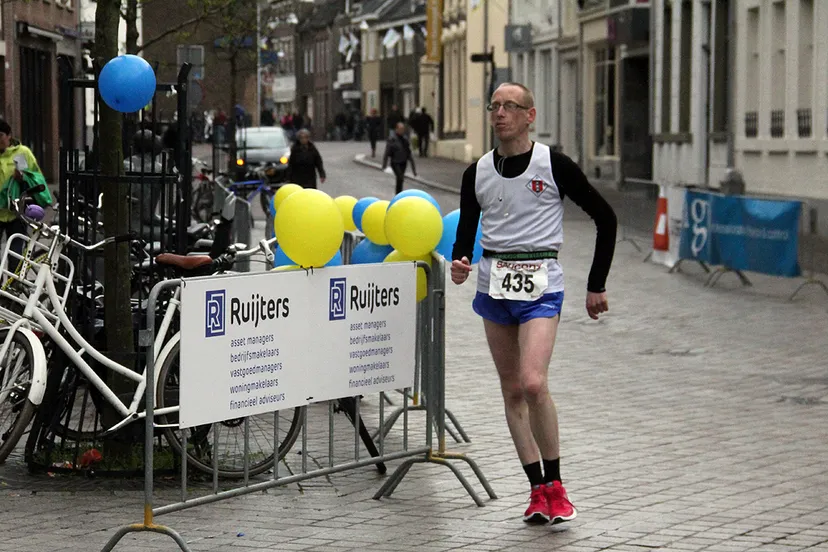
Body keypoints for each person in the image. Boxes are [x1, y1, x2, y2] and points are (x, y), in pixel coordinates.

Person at [451, 83, 617, 525]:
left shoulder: (554, 165)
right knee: (511, 390)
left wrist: (595, 284)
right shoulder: (477, 173)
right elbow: (465, 235)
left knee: (533, 383)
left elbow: (606, 217)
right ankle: (536, 490)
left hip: (542, 284)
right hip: (494, 288)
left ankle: (558, 485)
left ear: (530, 115)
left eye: (510, 106)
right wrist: (460, 263)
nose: (500, 113)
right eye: (495, 106)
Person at [0, 118, 50, 270]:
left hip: (17, 212)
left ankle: (12, 288)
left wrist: (22, 177)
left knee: (15, 252)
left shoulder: (20, 154)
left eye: (0, 135)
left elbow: (33, 177)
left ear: (9, 136)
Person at [382, 122, 417, 195]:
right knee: (400, 177)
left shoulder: (405, 139)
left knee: (400, 180)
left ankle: (398, 195)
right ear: (396, 129)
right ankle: (397, 195)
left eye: (403, 129)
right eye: (400, 129)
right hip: (395, 162)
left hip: (403, 162)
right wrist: (384, 165)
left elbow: (409, 153)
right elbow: (387, 152)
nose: (402, 130)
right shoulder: (392, 139)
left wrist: (414, 169)